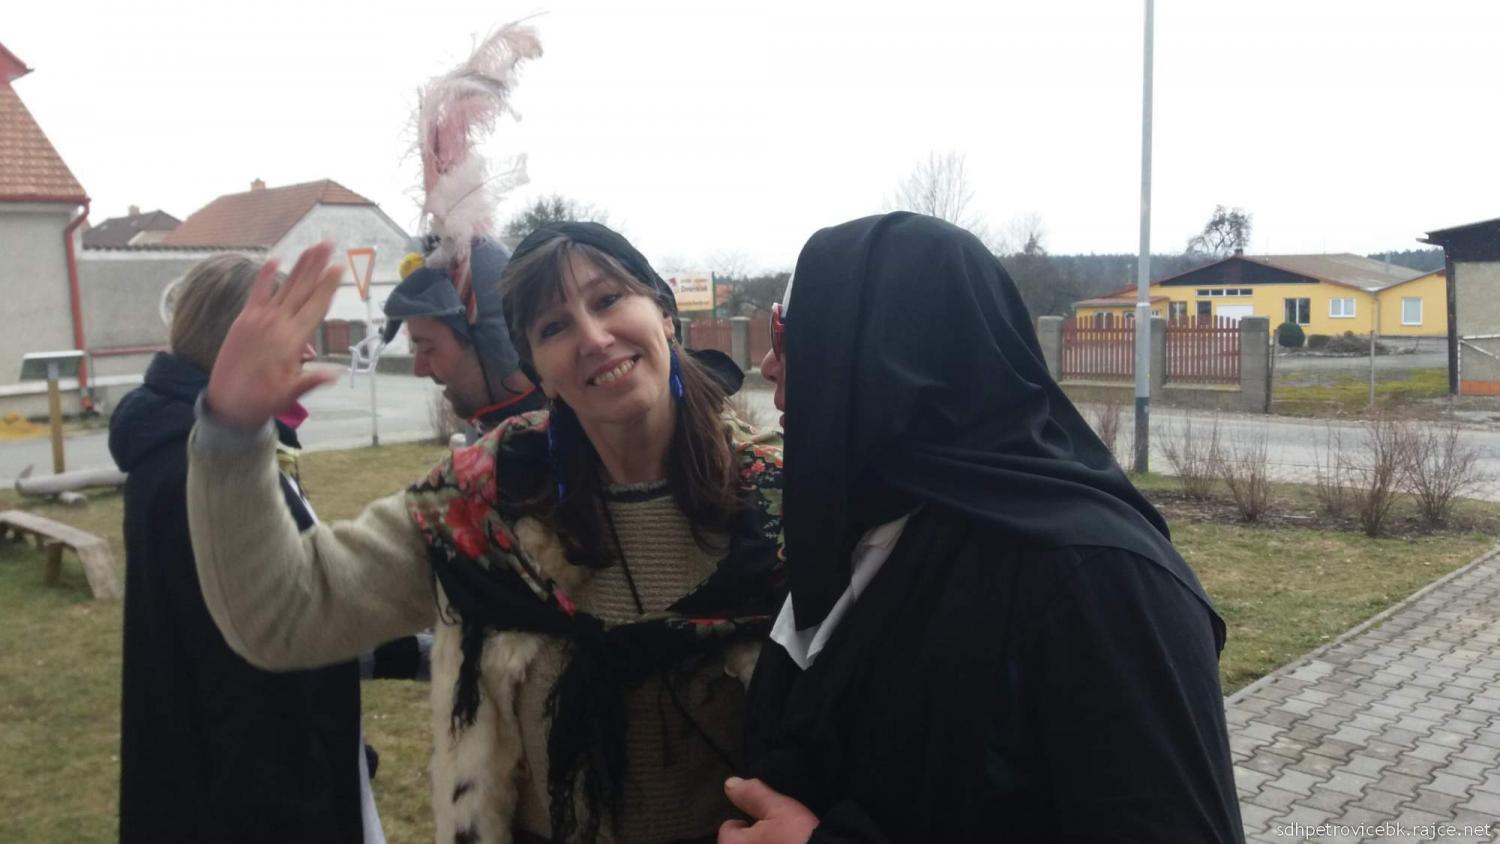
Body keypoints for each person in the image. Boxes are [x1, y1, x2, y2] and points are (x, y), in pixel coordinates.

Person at [185, 227, 784, 843]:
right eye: (554, 326)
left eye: (608, 299)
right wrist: (232, 433)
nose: (593, 337)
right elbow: (286, 612)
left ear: (664, 316)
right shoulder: (484, 504)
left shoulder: (784, 502)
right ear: (537, 370)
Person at [720, 213, 1243, 843]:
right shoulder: (874, 529)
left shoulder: (1103, 581)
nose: (768, 365)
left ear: (890, 354)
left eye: (787, 333)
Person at [111, 254, 376, 843]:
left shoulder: (203, 451)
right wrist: (304, 805)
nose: (309, 351)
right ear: (233, 344)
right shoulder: (200, 474)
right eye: (294, 334)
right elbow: (246, 686)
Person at [381, 236, 546, 433]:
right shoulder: (507, 437)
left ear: (498, 343)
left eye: (427, 348)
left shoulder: (568, 443)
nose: (419, 369)